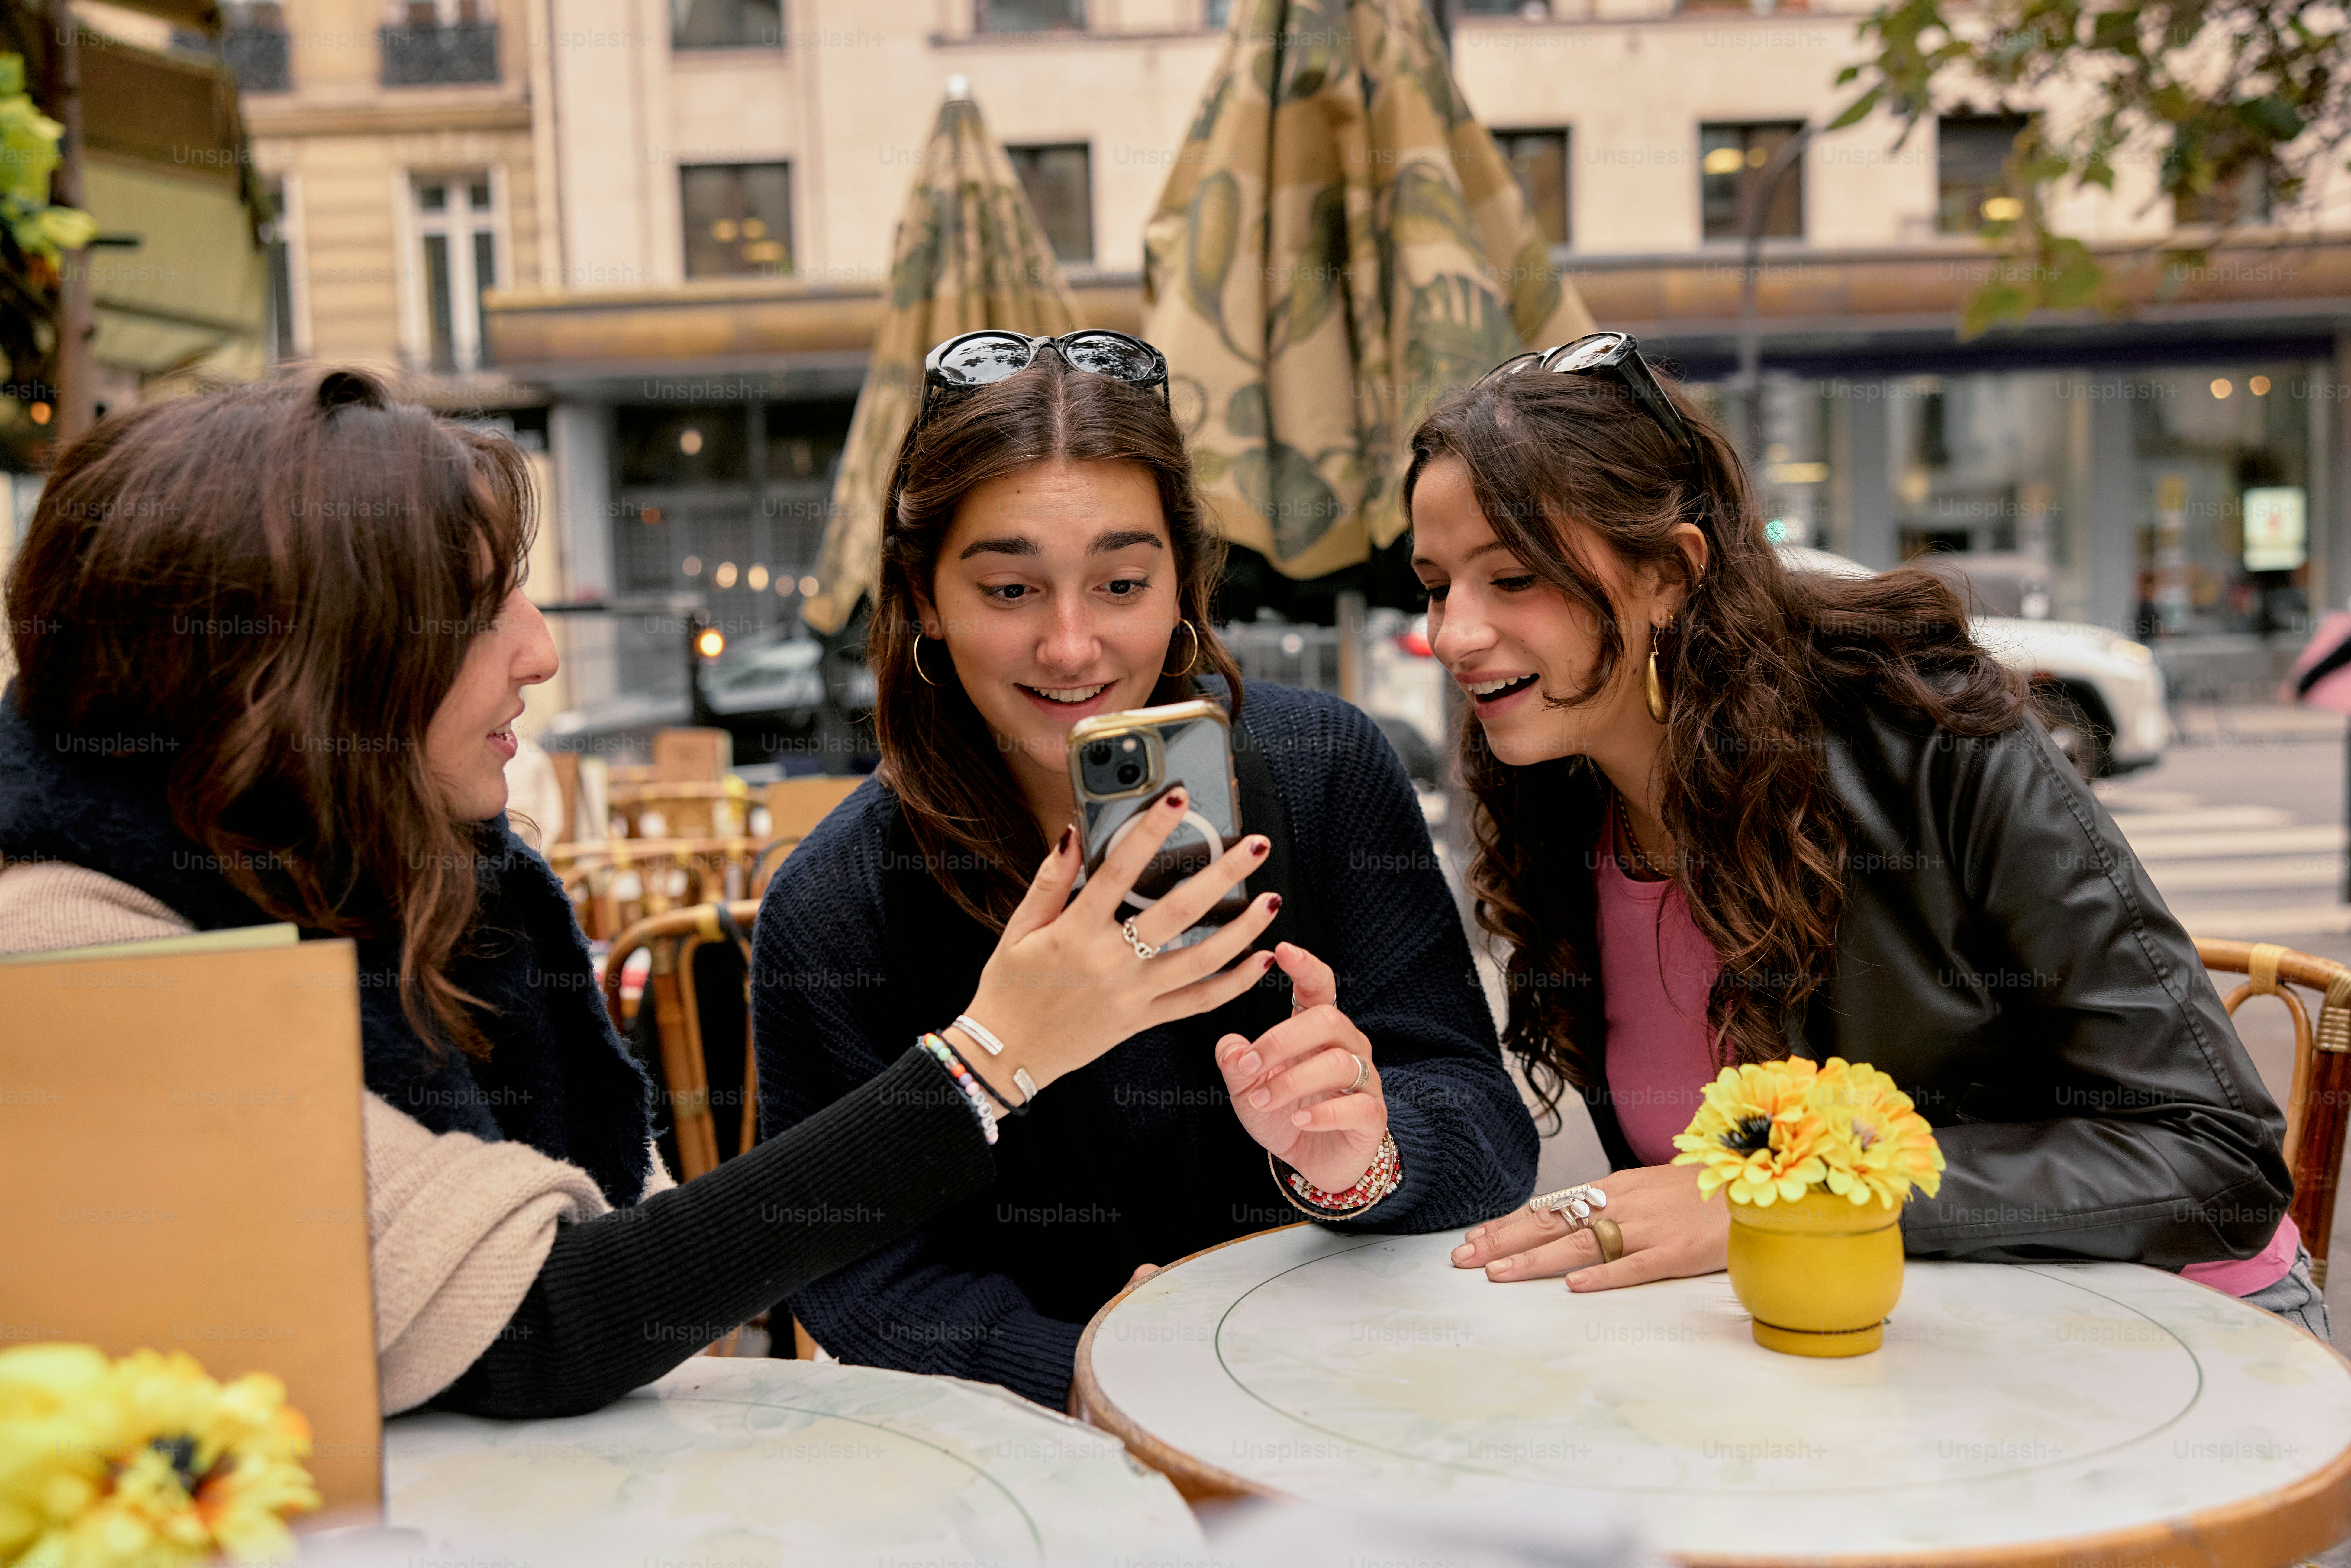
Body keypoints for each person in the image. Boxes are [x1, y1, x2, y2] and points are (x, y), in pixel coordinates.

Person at [0, 367, 1283, 1418]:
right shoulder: (67, 952)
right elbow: (548, 1318)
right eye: (473, 609)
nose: (540, 649)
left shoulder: (388, 873)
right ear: (302, 669)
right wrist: (989, 1059)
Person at [1414, 335, 2319, 1337]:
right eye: (1437, 583)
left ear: (1671, 572)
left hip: (2165, 1331)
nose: (1453, 632)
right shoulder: (1553, 806)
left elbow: (2217, 1159)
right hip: (1856, 1347)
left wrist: (1783, 1192)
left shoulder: (1928, 738)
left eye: (1511, 579)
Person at [752, 330, 1540, 1410]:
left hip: (1352, 1411)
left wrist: (1360, 1151)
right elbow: (855, 1272)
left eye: (1121, 582)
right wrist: (1087, 1374)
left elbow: (1487, 1136)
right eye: (1011, 591)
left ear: (1185, 579)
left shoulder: (1323, 775)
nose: (1072, 648)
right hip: (1037, 1464)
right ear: (925, 597)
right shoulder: (838, 902)